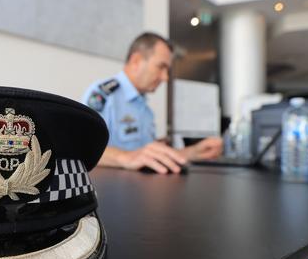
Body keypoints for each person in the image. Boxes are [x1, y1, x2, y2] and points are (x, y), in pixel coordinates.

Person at [81, 32, 223, 174]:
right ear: (136, 61)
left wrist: (193, 152)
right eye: (161, 67)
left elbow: (146, 156)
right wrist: (126, 157)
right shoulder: (103, 96)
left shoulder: (144, 108)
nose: (165, 77)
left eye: (167, 70)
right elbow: (82, 148)